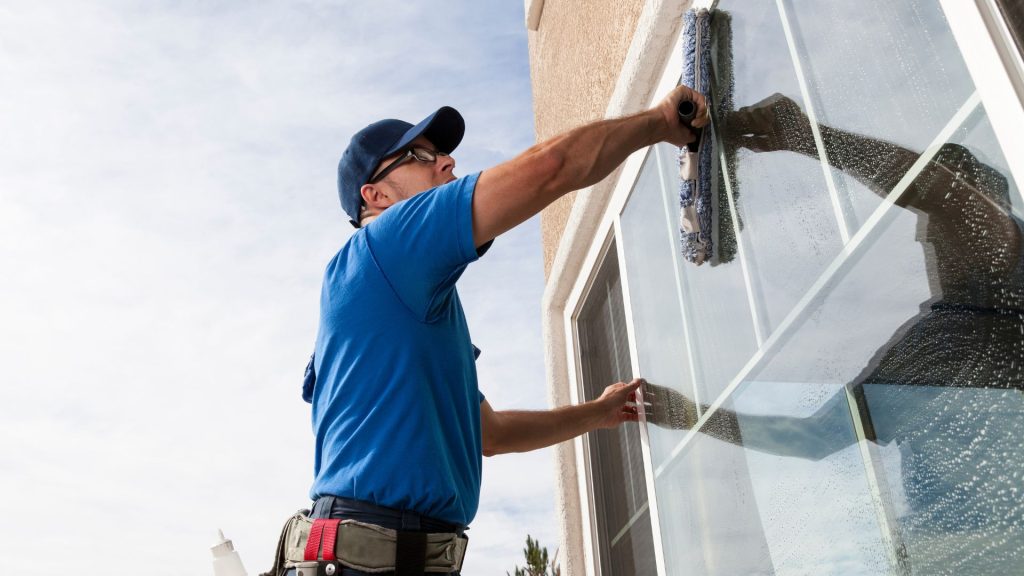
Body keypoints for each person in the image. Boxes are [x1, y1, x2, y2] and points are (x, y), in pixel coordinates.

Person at [294, 85, 708, 576]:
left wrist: (597, 413)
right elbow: (549, 168)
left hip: (386, 555)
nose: (446, 162)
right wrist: (661, 123)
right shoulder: (386, 246)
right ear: (376, 195)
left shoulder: (410, 306)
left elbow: (490, 433)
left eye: (443, 152)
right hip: (371, 558)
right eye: (421, 155)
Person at [645, 93, 1023, 575]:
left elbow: (945, 197)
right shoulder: (941, 340)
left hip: (963, 551)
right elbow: (813, 438)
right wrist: (691, 417)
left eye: (933, 227)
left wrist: (809, 137)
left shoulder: (972, 318)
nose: (924, 240)